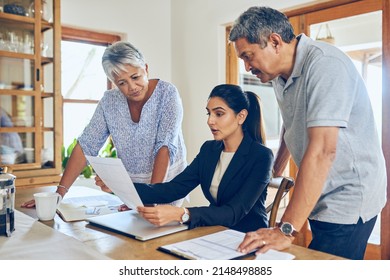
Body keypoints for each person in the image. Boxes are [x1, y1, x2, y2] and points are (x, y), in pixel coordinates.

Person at [229, 6, 387, 259]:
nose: (247, 67)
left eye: (249, 56)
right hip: (322, 189)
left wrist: (286, 229)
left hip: (349, 192)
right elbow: (290, 126)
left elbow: (324, 150)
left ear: (274, 42)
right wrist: (274, 171)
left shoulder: (326, 65)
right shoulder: (280, 75)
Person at [22, 41, 187, 208]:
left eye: (135, 77)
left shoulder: (167, 94)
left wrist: (150, 200)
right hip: (133, 188)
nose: (132, 87)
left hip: (168, 182)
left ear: (145, 68)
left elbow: (164, 147)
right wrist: (59, 194)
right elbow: (86, 145)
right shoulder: (109, 101)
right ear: (113, 82)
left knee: (164, 230)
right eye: (122, 83)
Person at [103, 84, 274, 233]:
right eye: (208, 113)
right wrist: (120, 186)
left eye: (219, 114)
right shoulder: (209, 150)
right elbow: (173, 189)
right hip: (215, 231)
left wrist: (182, 213)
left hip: (249, 236)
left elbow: (233, 212)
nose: (210, 121)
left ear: (241, 117)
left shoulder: (261, 157)